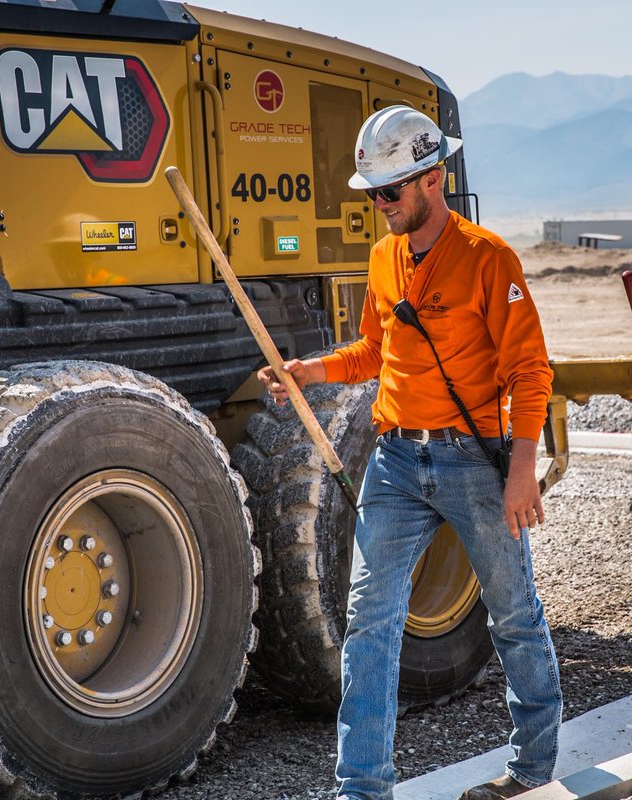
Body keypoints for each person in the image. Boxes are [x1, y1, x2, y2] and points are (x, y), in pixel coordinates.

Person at [257, 105, 562, 800]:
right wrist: (309, 371)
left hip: (471, 463)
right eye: (372, 194)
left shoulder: (489, 259)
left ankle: (534, 768)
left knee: (513, 612)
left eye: (389, 191)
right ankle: (362, 788)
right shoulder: (383, 257)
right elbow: (373, 351)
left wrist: (522, 473)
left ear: (433, 176)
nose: (379, 205)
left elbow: (530, 373)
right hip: (395, 463)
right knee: (369, 623)